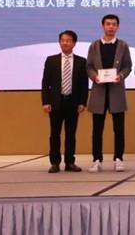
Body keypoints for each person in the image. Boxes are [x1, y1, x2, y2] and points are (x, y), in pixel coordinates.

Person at [86, 14, 132, 173]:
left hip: (116, 92)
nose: (111, 27)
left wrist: (121, 76)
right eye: (108, 24)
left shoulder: (123, 45)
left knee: (119, 129)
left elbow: (127, 66)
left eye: (113, 24)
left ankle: (118, 159)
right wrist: (94, 76)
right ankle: (96, 160)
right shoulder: (94, 45)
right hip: (99, 93)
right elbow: (89, 66)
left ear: (117, 27)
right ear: (103, 26)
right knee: (97, 130)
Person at [41, 30, 88, 173]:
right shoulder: (51, 60)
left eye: (68, 40)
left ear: (74, 43)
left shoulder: (81, 61)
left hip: (73, 103)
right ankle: (55, 163)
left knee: (71, 135)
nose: (65, 43)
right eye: (62, 40)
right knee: (54, 134)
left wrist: (82, 102)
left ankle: (70, 162)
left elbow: (84, 84)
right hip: (55, 102)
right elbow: (45, 82)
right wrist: (46, 101)